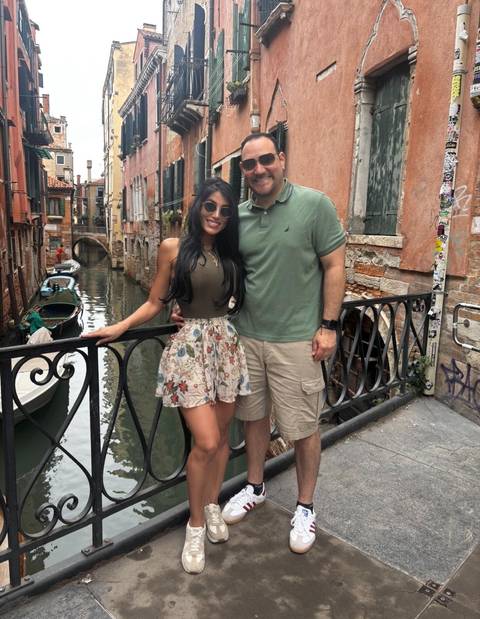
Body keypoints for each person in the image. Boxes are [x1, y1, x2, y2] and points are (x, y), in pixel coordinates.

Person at [173, 133, 346, 554]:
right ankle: (254, 486)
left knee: (304, 427)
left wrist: (329, 325)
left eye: (265, 160)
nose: (258, 170)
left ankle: (305, 507)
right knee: (253, 419)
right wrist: (187, 308)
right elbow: (215, 266)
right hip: (244, 338)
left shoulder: (314, 205)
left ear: (281, 159)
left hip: (296, 340)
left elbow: (335, 265)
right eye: (248, 165)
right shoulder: (238, 218)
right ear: (243, 172)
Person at [84, 178, 250, 574]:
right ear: (197, 208)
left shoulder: (231, 254)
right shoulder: (173, 249)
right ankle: (195, 526)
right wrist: (119, 327)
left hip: (225, 346)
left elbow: (231, 302)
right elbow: (155, 301)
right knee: (205, 442)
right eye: (210, 207)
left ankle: (212, 508)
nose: (216, 215)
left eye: (225, 211)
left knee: (222, 440)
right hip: (190, 349)